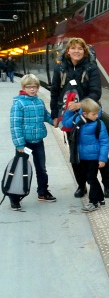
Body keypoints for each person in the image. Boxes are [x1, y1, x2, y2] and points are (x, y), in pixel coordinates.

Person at [50, 37, 109, 198]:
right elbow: (55, 92)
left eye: (80, 48)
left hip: (89, 115)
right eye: (73, 48)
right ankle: (81, 186)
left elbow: (95, 92)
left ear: (84, 51)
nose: (76, 51)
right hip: (70, 117)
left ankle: (107, 185)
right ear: (68, 51)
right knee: (75, 154)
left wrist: (81, 105)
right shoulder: (60, 69)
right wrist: (55, 115)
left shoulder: (91, 68)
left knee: (97, 150)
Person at [9, 74, 56, 210]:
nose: (32, 90)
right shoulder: (19, 104)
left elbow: (46, 116)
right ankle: (14, 197)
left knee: (42, 168)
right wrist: (19, 144)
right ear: (23, 88)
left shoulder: (39, 102)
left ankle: (42, 192)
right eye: (29, 87)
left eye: (35, 87)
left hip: (38, 141)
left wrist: (56, 122)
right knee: (20, 170)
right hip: (24, 144)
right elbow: (15, 125)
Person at [62, 98, 109, 212]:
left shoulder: (99, 124)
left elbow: (104, 142)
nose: (97, 116)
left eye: (97, 113)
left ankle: (93, 202)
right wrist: (69, 110)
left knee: (92, 178)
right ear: (85, 113)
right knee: (90, 178)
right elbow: (65, 122)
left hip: (93, 157)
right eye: (94, 114)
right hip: (80, 156)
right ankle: (101, 198)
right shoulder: (77, 119)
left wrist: (102, 159)